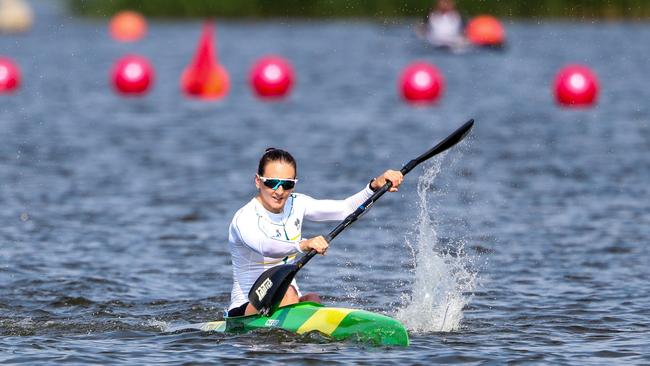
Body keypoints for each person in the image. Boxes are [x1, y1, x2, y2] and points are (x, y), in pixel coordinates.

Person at [227, 148, 403, 317]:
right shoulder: (245, 217)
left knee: (312, 298)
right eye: (272, 182)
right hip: (245, 309)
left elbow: (346, 209)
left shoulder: (297, 203)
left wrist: (374, 186)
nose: (279, 191)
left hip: (287, 299)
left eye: (287, 184)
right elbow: (265, 246)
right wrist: (303, 244)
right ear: (258, 181)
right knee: (289, 293)